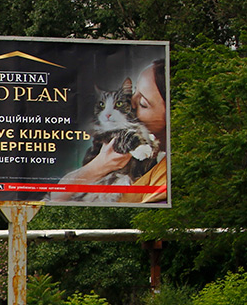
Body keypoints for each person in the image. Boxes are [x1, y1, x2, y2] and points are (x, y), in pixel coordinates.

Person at [60, 60, 168, 202]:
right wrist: (99, 165)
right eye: (134, 92)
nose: (131, 105)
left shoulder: (165, 175)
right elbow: (58, 195)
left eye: (143, 103)